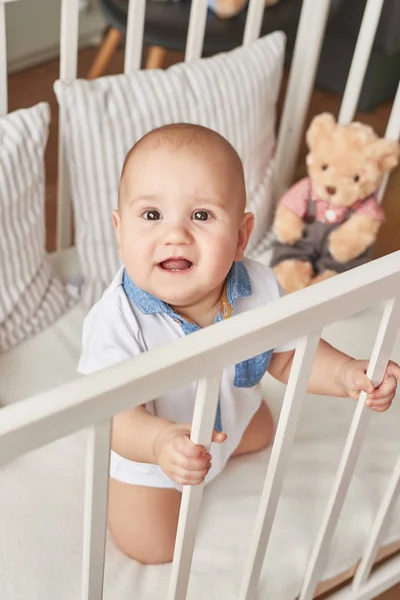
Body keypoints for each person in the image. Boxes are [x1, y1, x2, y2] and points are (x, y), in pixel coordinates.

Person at [78, 123, 400, 565]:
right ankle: (145, 480)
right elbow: (115, 418)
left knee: (262, 431)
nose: (176, 235)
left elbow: (290, 356)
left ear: (242, 237)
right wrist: (159, 443)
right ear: (119, 230)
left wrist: (347, 373)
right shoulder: (117, 322)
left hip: (231, 418)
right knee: (153, 549)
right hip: (152, 455)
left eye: (202, 215)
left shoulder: (259, 285)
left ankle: (227, 439)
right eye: (152, 215)